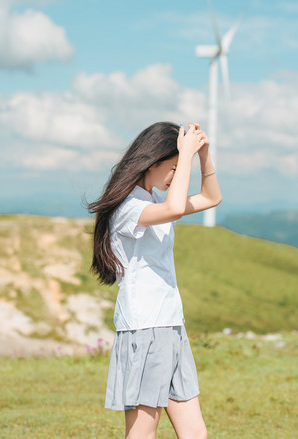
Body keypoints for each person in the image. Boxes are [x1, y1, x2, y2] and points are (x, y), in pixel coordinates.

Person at [88, 121, 221, 439]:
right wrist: (185, 153)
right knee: (143, 433)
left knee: (195, 433)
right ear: (152, 162)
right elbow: (176, 207)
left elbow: (211, 197)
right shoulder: (128, 208)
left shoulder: (152, 204)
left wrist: (203, 156)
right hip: (145, 327)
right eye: (174, 167)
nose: (177, 174)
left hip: (172, 324)